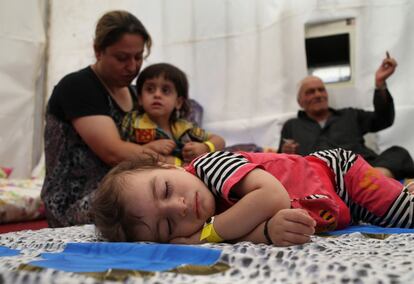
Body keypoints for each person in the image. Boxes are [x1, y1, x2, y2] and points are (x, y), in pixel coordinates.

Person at [92, 148, 414, 247]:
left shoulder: (208, 166)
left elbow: (272, 196)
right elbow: (259, 223)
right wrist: (266, 233)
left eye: (165, 189)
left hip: (340, 176)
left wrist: (205, 236)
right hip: (335, 209)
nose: (179, 207)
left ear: (165, 165)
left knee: (404, 214)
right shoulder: (219, 221)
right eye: (166, 227)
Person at [41, 10, 155, 227]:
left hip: (119, 191)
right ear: (98, 51)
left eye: (138, 57)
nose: (132, 66)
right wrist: (174, 164)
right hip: (74, 203)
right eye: (122, 58)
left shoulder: (134, 94)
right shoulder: (77, 87)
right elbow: (113, 153)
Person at [278, 53, 414, 180]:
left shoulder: (350, 115)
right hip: (320, 178)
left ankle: (374, 181)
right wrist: (286, 152)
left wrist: (380, 85)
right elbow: (280, 162)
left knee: (398, 153)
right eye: (310, 92)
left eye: (321, 90)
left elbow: (384, 119)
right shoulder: (292, 125)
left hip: (363, 170)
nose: (318, 95)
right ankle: (371, 185)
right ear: (300, 102)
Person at [122, 63, 225, 165]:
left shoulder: (185, 127)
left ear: (178, 102)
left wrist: (204, 147)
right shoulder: (133, 122)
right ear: (140, 98)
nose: (157, 95)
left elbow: (220, 141)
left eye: (165, 90)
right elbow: (121, 154)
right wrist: (148, 148)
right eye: (150, 89)